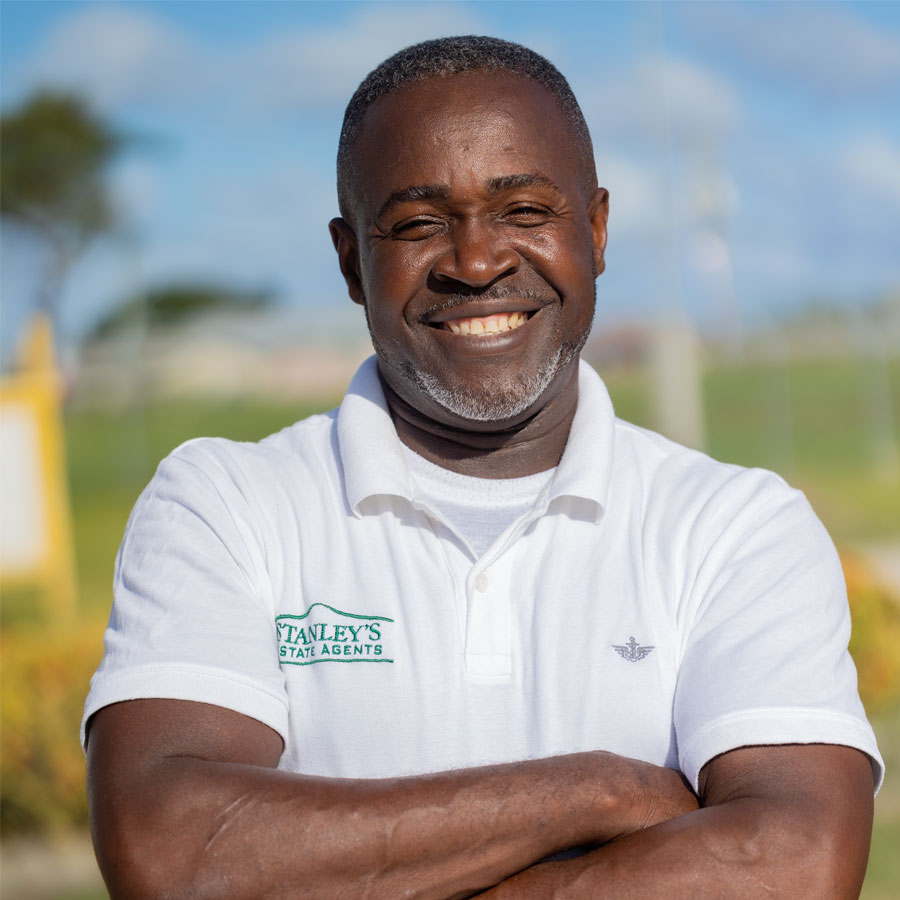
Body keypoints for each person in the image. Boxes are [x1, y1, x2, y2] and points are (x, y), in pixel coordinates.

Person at [84, 36, 882, 899]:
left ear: (596, 230)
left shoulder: (736, 528)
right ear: (351, 261)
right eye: (418, 224)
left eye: (524, 211)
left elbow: (798, 862)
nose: (475, 263)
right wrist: (596, 792)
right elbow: (171, 854)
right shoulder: (226, 506)